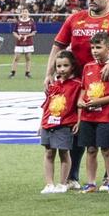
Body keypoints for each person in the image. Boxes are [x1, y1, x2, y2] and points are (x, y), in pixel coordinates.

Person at [50, 0, 109, 185]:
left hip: (105, 84)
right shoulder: (75, 19)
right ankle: (73, 175)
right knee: (76, 127)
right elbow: (57, 47)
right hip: (76, 82)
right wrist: (49, 74)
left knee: (106, 126)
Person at [77, 32, 109, 193]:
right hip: (88, 116)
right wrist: (80, 100)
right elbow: (84, 88)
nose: (94, 51)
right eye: (92, 47)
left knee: (106, 149)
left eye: (98, 47)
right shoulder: (88, 67)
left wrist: (100, 101)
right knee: (90, 149)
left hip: (106, 116)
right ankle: (91, 182)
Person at [39, 52, 82, 194]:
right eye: (58, 66)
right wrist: (41, 123)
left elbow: (79, 105)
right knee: (49, 152)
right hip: (48, 123)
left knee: (64, 153)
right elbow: (46, 104)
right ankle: (49, 183)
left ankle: (63, 183)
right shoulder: (52, 84)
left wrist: (78, 121)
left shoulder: (77, 85)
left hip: (65, 124)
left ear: (72, 66)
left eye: (65, 65)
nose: (62, 69)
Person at [10, 7, 38, 78]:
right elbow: (14, 32)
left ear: (28, 13)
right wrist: (18, 36)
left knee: (28, 58)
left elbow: (34, 32)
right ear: (21, 13)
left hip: (28, 42)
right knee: (16, 58)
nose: (24, 13)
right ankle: (13, 73)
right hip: (19, 43)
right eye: (23, 12)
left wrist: (27, 36)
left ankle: (27, 73)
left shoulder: (31, 22)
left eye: (26, 12)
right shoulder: (18, 22)